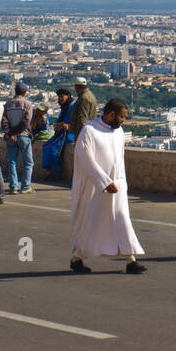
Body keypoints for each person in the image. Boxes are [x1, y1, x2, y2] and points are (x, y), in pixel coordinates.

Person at [70, 98, 145, 274]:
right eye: (122, 117)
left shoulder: (119, 132)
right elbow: (86, 159)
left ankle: (131, 259)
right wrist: (104, 182)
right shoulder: (89, 131)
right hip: (93, 188)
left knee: (122, 219)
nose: (123, 120)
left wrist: (120, 182)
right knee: (90, 223)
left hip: (117, 187)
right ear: (111, 114)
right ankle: (77, 258)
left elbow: (119, 160)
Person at [62, 77, 97, 183]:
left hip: (83, 133)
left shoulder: (84, 98)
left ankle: (82, 180)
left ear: (77, 87)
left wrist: (80, 135)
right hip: (88, 131)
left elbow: (82, 118)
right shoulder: (89, 95)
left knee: (82, 159)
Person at [2, 82, 35, 194]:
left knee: (12, 162)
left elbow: (4, 121)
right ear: (25, 92)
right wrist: (16, 132)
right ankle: (25, 186)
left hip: (11, 137)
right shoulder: (28, 104)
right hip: (24, 136)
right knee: (28, 162)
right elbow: (26, 122)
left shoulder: (7, 104)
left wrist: (11, 133)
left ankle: (13, 187)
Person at [44, 88, 74, 180]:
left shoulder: (73, 107)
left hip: (69, 133)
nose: (60, 98)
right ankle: (50, 170)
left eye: (62, 96)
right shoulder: (65, 107)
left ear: (68, 96)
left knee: (54, 149)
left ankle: (57, 173)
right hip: (61, 132)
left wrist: (67, 126)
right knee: (46, 145)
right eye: (59, 96)